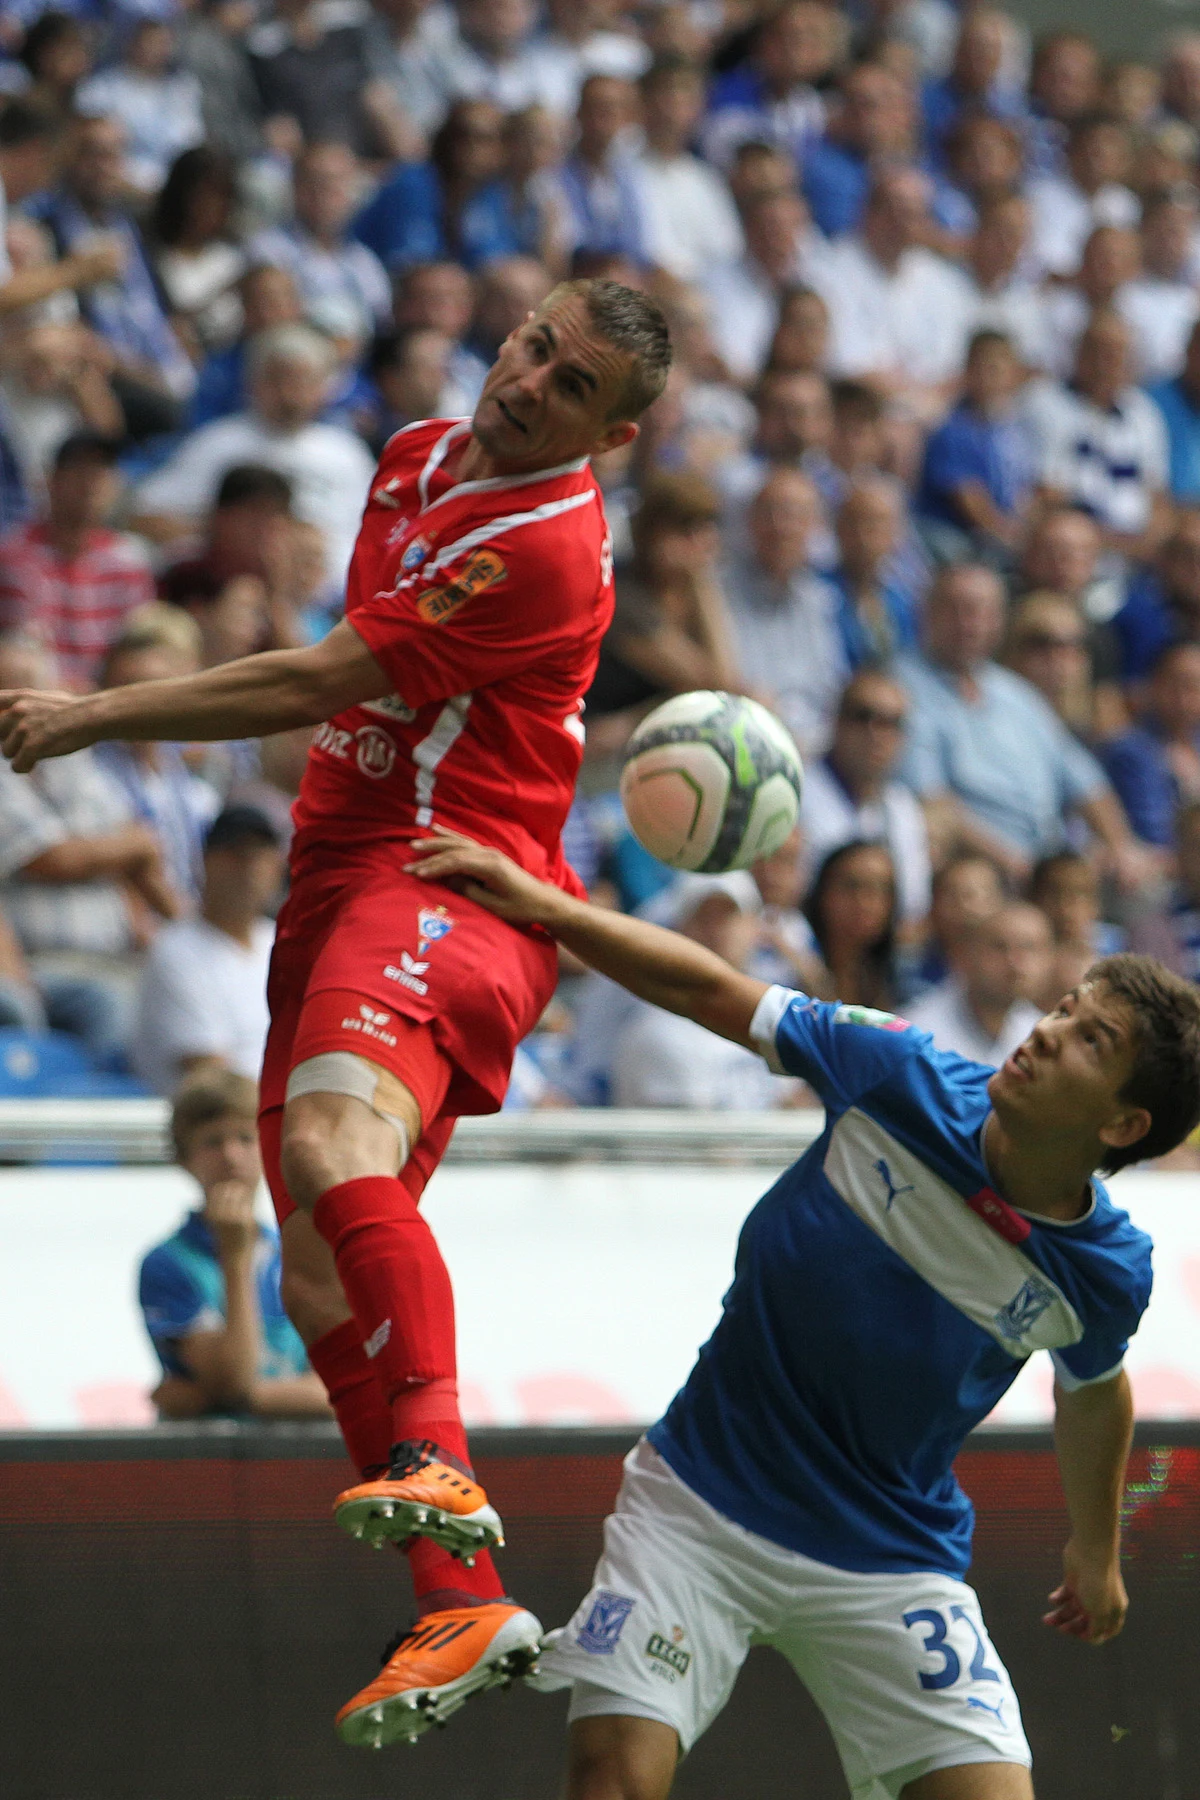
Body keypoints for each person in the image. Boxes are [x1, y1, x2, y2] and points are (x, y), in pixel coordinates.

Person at [0, 276, 672, 1746]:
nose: (528, 380)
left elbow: (319, 676)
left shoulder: (545, 549)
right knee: (314, 1285)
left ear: (609, 435)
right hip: (337, 876)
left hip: (451, 877)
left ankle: (435, 1459)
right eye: (532, 345)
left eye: (568, 387)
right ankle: (461, 1597)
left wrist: (93, 713)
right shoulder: (418, 453)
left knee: (321, 1148)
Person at [402, 828, 1200, 1800]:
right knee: (609, 1782)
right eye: (1066, 1009)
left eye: (1090, 1040)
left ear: (1122, 1126)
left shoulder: (1106, 1271)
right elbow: (709, 992)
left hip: (892, 1559)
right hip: (698, 1504)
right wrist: (553, 908)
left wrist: (1094, 1549)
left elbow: (1094, 1392)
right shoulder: (893, 1072)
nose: (1045, 1031)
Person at [897, 563, 1149, 890]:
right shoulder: (903, 689)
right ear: (926, 613)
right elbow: (934, 802)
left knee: (1146, 894)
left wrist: (1120, 847)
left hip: (1051, 869)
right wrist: (1022, 868)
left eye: (981, 612)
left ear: (999, 621)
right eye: (956, 609)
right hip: (978, 872)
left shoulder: (1015, 692)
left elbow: (1085, 780)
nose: (969, 623)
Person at [131, 324, 376, 601]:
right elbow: (144, 517)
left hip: (334, 599)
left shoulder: (346, 453)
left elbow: (380, 536)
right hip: (235, 596)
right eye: (277, 379)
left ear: (323, 388)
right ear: (253, 383)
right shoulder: (219, 444)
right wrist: (235, 534)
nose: (289, 392)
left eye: (302, 381)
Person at [141, 1070, 331, 1421]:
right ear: (184, 1159)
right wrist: (235, 1257)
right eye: (212, 1142)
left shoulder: (300, 1252)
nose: (231, 1155)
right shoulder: (166, 1263)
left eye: (246, 1138)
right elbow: (232, 1379)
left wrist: (218, 1398)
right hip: (203, 1465)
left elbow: (336, 1392)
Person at [132, 805, 282, 1096]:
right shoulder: (175, 951)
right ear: (206, 862)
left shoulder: (280, 940)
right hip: (222, 1126)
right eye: (235, 854)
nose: (249, 867)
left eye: (260, 854)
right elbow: (211, 1079)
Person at [0, 433, 155, 691]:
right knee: (19, 665)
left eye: (101, 471)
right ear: (51, 481)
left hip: (109, 697)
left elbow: (137, 642)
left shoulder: (129, 561)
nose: (90, 483)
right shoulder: (15, 556)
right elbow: (25, 642)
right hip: (39, 695)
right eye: (79, 470)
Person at [800, 667, 932, 926]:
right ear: (836, 720)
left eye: (891, 723)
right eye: (863, 716)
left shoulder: (902, 807)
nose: (877, 733)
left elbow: (912, 908)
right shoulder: (797, 792)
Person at [907, 902, 1053, 1065]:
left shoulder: (1043, 1036)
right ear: (965, 955)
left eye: (1028, 947)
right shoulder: (916, 1033)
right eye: (1000, 947)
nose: (1014, 961)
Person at [803, 838, 901, 1012]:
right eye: (852, 886)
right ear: (823, 892)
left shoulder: (900, 982)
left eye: (882, 889)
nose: (866, 902)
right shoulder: (793, 963)